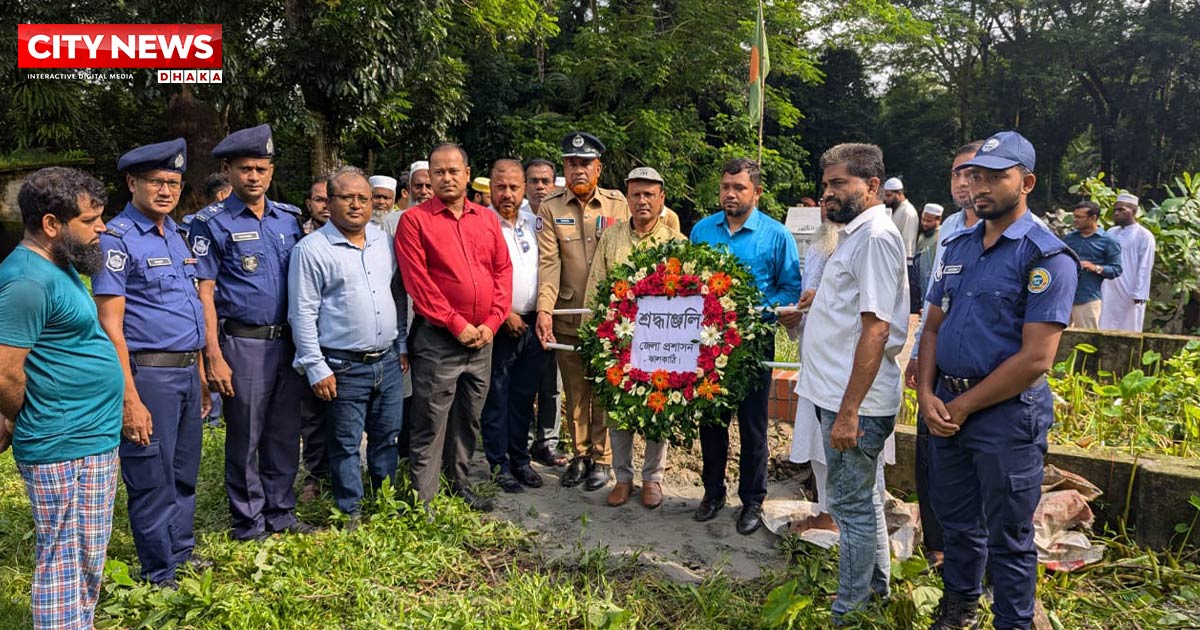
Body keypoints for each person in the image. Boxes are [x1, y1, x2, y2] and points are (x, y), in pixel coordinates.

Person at [917, 131, 1078, 630]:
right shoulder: (958, 244)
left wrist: (964, 407)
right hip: (946, 406)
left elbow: (1036, 358)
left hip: (1005, 418)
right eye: (973, 175)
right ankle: (959, 605)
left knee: (1009, 535)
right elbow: (934, 323)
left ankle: (1013, 621)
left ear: (1025, 182)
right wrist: (925, 393)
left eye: (994, 177)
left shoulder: (1044, 257)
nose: (978, 186)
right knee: (958, 523)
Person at [0, 167, 124, 629]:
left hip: (89, 436)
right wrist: (21, 416)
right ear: (52, 224)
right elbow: (4, 372)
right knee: (62, 561)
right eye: (91, 220)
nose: (102, 228)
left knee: (88, 554)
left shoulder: (60, 265)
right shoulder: (26, 281)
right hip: (60, 440)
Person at [797, 144, 906, 621]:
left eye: (839, 183)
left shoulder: (877, 237)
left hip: (853, 403)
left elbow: (878, 328)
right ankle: (876, 591)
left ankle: (850, 611)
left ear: (871, 186)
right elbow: (852, 310)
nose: (828, 193)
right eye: (826, 184)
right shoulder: (856, 234)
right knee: (864, 504)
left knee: (852, 510)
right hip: (837, 394)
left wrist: (848, 412)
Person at [188, 124, 313, 540]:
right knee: (245, 436)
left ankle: (281, 512)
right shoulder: (211, 224)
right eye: (245, 169)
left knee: (283, 432)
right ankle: (248, 521)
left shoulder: (289, 219)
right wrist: (213, 356)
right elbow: (204, 293)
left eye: (261, 168)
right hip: (243, 343)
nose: (253, 177)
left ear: (271, 171)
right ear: (230, 171)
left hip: (288, 343)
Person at [92, 139, 208, 586]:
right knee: (150, 476)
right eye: (156, 182)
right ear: (132, 183)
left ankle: (180, 552)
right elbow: (110, 326)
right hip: (149, 373)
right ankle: (159, 571)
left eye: (174, 183)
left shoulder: (177, 237)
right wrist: (129, 397)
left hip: (185, 372)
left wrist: (200, 373)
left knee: (183, 471)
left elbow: (190, 313)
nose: (166, 190)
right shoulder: (117, 241)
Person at [396, 143, 512, 511]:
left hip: (483, 339)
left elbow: (502, 272)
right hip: (439, 340)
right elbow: (419, 282)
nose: (446, 178)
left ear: (467, 173)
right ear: (428, 177)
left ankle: (457, 485)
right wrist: (455, 323)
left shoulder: (487, 218)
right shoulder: (414, 221)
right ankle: (423, 499)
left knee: (467, 419)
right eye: (438, 172)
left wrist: (493, 322)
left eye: (453, 171)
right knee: (430, 420)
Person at [691, 158, 802, 534]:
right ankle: (712, 493)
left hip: (754, 345)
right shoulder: (702, 231)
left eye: (739, 187)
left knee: (753, 426)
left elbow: (790, 287)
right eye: (725, 186)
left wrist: (761, 319)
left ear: (756, 192)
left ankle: (753, 500)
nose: (730, 194)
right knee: (711, 422)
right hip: (708, 346)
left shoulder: (776, 235)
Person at [289, 166, 407, 522]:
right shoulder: (310, 250)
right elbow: (302, 312)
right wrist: (315, 366)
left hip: (386, 360)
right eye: (346, 198)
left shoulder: (383, 242)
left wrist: (401, 344)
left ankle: (383, 500)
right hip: (342, 365)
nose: (356, 205)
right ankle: (350, 509)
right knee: (344, 443)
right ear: (330, 200)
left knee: (387, 437)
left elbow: (397, 296)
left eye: (363, 199)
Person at [585, 167, 686, 510]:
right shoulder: (611, 238)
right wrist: (592, 332)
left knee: (659, 409)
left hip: (662, 345)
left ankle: (652, 478)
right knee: (619, 412)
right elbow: (597, 286)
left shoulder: (676, 243)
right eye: (636, 195)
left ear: (662, 199)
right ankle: (622, 478)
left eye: (649, 195)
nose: (642, 201)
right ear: (627, 199)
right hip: (619, 342)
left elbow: (687, 297)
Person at [905, 140, 986, 568]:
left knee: (979, 465)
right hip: (939, 360)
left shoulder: (1021, 236)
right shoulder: (949, 228)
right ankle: (936, 545)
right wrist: (918, 354)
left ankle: (974, 553)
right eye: (957, 173)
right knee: (930, 456)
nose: (964, 181)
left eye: (973, 172)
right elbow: (934, 302)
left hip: (987, 372)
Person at [535, 132, 630, 491]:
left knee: (605, 389)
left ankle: (603, 459)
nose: (578, 170)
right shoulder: (551, 207)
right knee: (575, 392)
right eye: (572, 163)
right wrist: (545, 310)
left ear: (598, 168)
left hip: (609, 318)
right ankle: (580, 455)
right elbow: (549, 264)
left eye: (585, 164)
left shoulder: (618, 205)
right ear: (564, 167)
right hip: (569, 312)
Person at [479, 159, 547, 493]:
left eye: (514, 187)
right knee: (497, 396)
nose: (507, 194)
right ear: (489, 186)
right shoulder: (479, 223)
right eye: (500, 186)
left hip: (533, 323)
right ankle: (498, 464)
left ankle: (520, 459)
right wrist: (504, 312)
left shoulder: (535, 222)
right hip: (498, 324)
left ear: (524, 188)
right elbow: (476, 275)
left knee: (523, 397)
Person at [524, 158, 567, 467]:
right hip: (522, 313)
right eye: (534, 180)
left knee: (552, 383)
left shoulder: (564, 213)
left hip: (557, 309)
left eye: (545, 181)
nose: (540, 186)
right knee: (522, 382)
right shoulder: (515, 218)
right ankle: (522, 439)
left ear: (555, 183)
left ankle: (547, 442)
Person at [298, 176, 332, 502]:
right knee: (313, 415)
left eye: (328, 199)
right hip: (308, 341)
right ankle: (315, 475)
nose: (324, 205)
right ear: (309, 204)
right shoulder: (296, 237)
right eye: (318, 200)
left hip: (341, 342)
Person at [1100, 193, 1156, 332]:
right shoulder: (1111, 232)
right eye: (1115, 210)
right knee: (1104, 325)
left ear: (1134, 212)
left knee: (1130, 328)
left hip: (1130, 291)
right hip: (1108, 288)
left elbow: (1145, 266)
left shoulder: (1144, 235)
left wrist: (1140, 293)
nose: (1116, 213)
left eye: (1121, 210)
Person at [1062, 201, 1122, 329]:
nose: (1075, 220)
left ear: (1093, 218)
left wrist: (1095, 268)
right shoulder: (1069, 238)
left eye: (1079, 217)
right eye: (1075, 216)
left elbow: (1116, 269)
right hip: (1063, 296)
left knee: (1086, 340)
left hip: (1087, 298)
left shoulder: (1109, 241)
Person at [913, 203, 943, 305]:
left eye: (929, 221)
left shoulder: (942, 236)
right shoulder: (921, 237)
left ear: (938, 220)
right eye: (923, 220)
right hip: (921, 283)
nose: (925, 223)